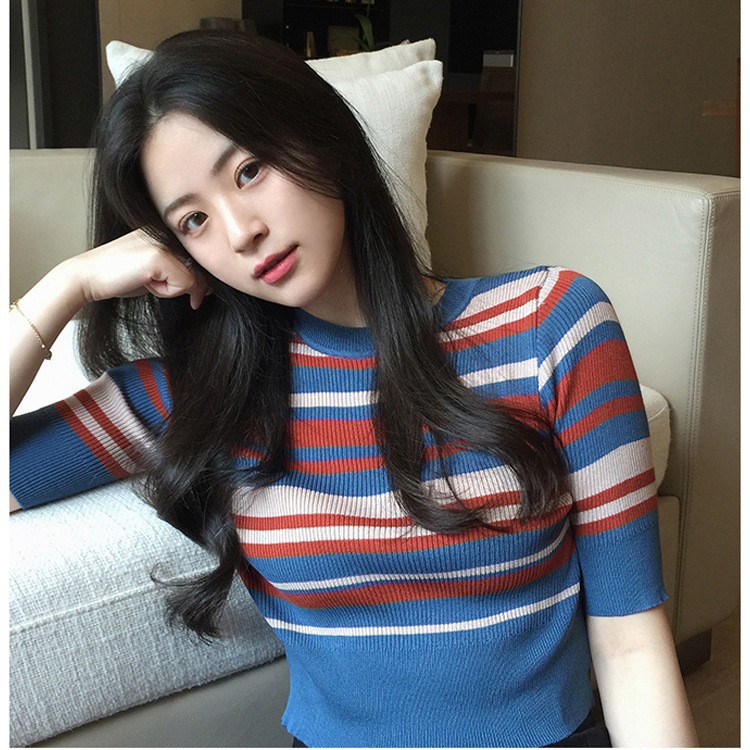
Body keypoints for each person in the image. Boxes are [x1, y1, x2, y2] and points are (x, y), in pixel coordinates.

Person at [10, 30, 698, 748]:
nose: (241, 232)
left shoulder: (551, 324)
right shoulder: (202, 393)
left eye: (249, 170)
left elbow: (629, 642)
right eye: (194, 220)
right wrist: (66, 285)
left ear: (321, 137)